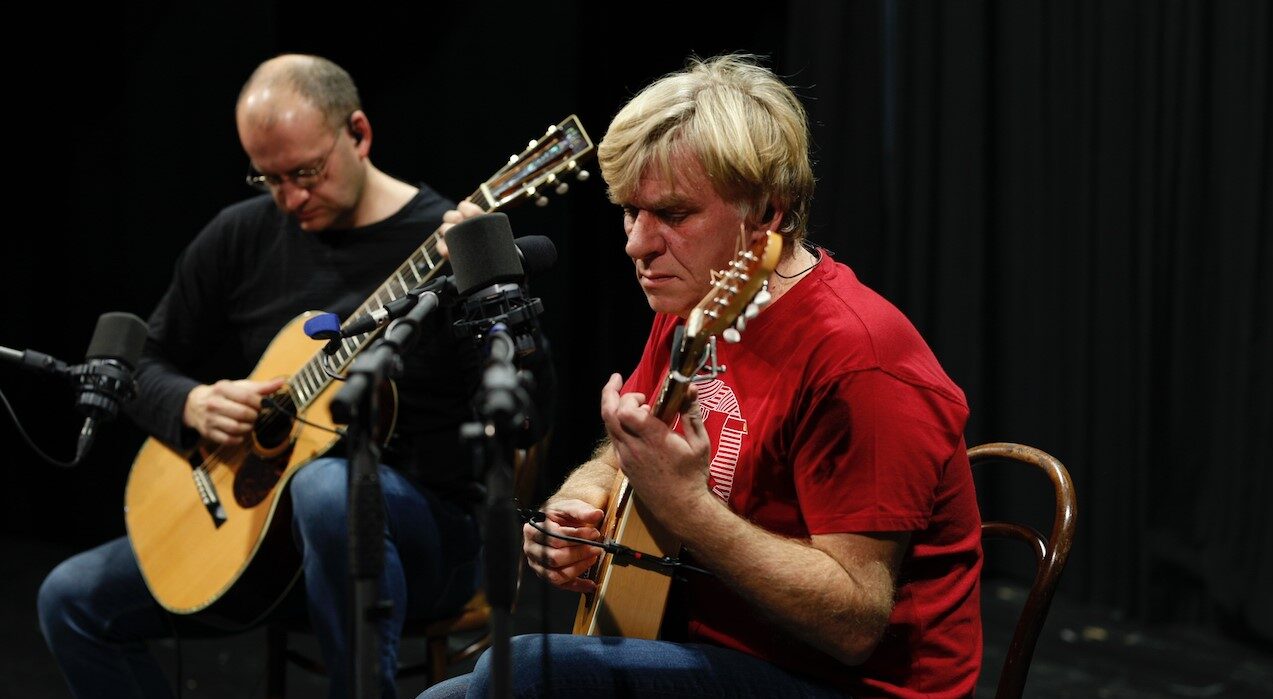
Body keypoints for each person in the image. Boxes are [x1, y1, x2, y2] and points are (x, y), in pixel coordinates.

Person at [424, 54, 983, 698]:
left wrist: (687, 507)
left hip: (842, 684)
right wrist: (580, 505)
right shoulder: (700, 300)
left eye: (674, 215)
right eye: (630, 212)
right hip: (701, 644)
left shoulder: (861, 361)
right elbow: (630, 451)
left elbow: (854, 622)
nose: (637, 244)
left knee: (523, 670)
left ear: (768, 213)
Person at [38, 54, 485, 699]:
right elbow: (136, 360)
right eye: (269, 179)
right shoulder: (245, 234)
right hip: (266, 546)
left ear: (357, 134)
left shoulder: (441, 243)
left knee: (329, 487)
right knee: (69, 599)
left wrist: (480, 279)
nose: (291, 199)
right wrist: (191, 402)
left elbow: (534, 395)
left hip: (421, 542)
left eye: (306, 172)